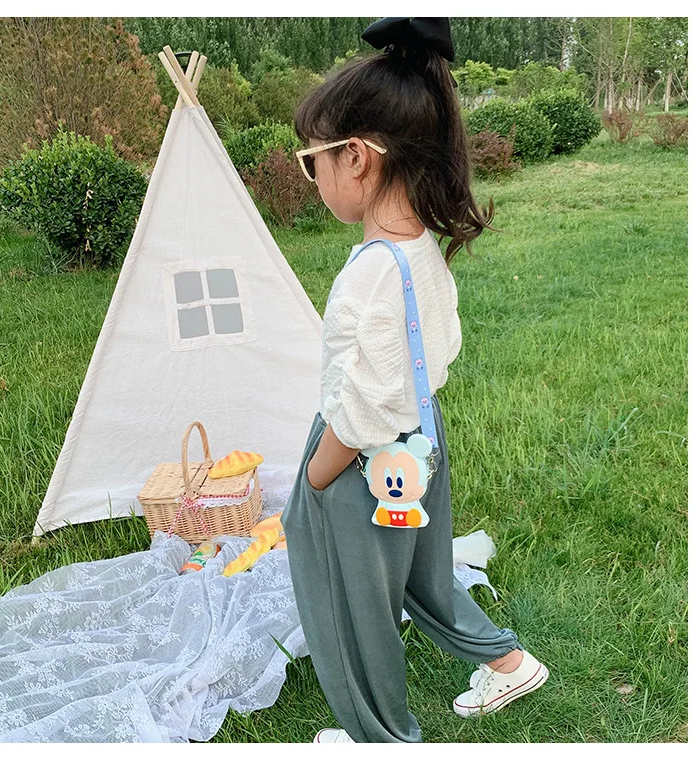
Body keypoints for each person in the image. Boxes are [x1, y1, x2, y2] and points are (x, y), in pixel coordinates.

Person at [279, 18, 548, 744]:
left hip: (360, 457)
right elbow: (438, 348)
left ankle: (382, 739)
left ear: (356, 158)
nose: (313, 178)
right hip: (419, 440)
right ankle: (508, 660)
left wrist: (317, 476)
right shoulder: (421, 247)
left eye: (312, 161)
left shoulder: (369, 273)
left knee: (352, 609)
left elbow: (361, 405)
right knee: (422, 577)